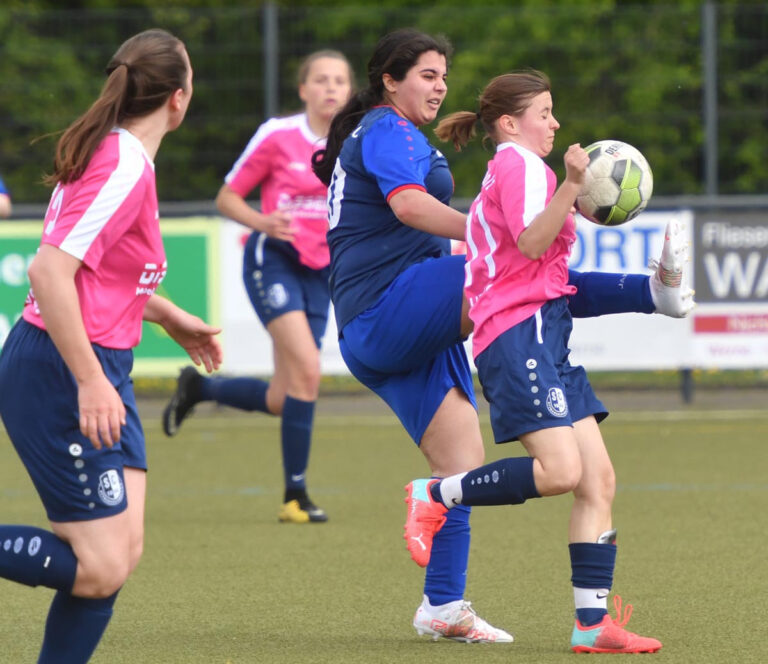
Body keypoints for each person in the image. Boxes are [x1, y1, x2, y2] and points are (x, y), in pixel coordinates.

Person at [312, 29, 691, 645]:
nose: (438, 86)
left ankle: (443, 606)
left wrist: (497, 239)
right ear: (389, 80)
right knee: (515, 277)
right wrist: (487, 232)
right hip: (385, 308)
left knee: (463, 463)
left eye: (443, 76)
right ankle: (647, 294)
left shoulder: (402, 135)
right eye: (426, 75)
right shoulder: (385, 128)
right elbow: (409, 206)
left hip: (411, 318)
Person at [402, 70, 668, 653]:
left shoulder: (527, 171)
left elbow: (552, 275)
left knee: (598, 480)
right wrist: (572, 186)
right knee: (561, 473)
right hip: (516, 336)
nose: (554, 123)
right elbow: (527, 241)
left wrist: (649, 293)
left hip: (547, 338)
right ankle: (435, 495)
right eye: (544, 113)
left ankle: (592, 625)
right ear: (508, 123)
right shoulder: (519, 165)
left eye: (553, 111)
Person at [0, 29, 222, 663]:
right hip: (60, 368)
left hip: (98, 364)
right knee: (97, 567)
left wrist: (166, 315)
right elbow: (49, 273)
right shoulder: (123, 163)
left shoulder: (120, 156)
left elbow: (98, 278)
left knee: (118, 554)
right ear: (179, 99)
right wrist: (92, 379)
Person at [161, 50, 353, 524]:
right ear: (303, 89)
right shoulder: (277, 135)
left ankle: (202, 391)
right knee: (309, 370)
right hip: (274, 262)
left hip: (320, 270)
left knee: (282, 396)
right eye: (321, 80)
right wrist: (263, 222)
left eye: (340, 81)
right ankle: (295, 496)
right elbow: (227, 198)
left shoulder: (358, 139)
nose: (331, 88)